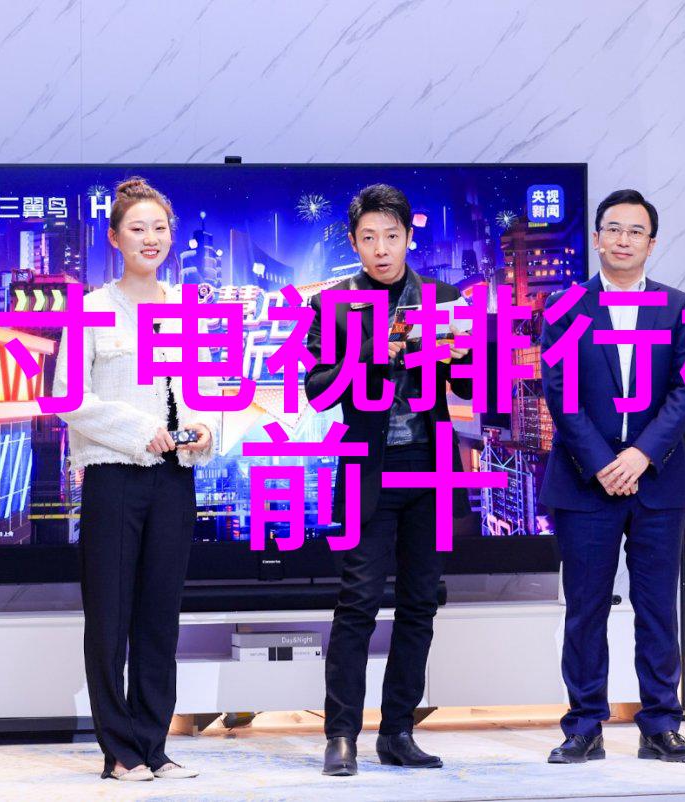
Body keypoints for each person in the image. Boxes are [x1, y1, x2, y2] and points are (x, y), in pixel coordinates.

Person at [53, 177, 220, 781]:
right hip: (115, 477)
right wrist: (139, 429)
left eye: (160, 228)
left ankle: (154, 744)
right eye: (137, 228)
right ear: (115, 238)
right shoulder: (92, 308)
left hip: (175, 479)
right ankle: (120, 751)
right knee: (110, 618)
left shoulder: (188, 307)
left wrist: (205, 431)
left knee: (159, 617)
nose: (151, 238)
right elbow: (69, 396)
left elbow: (206, 392)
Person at [306, 183, 472, 776]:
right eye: (369, 238)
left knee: (420, 604)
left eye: (392, 236)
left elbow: (472, 390)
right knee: (356, 603)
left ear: (407, 239)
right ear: (354, 243)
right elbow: (318, 391)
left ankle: (398, 731)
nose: (381, 249)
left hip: (433, 469)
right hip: (366, 472)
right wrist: (380, 351)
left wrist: (461, 360)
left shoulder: (445, 299)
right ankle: (341, 735)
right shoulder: (332, 305)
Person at [540, 189, 685, 764]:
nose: (624, 240)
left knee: (658, 608)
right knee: (585, 609)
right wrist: (603, 464)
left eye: (636, 231)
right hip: (585, 481)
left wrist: (640, 456)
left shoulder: (680, 306)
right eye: (613, 229)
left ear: (651, 244)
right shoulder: (564, 306)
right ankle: (585, 727)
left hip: (656, 481)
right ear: (597, 238)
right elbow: (559, 392)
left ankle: (660, 726)